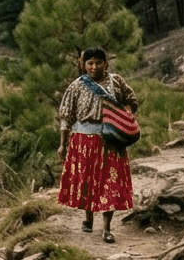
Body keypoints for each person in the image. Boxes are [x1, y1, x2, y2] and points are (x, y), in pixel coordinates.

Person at [55, 46, 137, 235]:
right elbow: (66, 116)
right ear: (83, 65)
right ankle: (88, 218)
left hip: (110, 140)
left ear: (106, 63)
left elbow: (131, 100)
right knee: (87, 182)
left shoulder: (116, 82)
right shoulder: (77, 86)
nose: (94, 67)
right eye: (89, 63)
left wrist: (124, 113)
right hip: (82, 141)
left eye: (98, 62)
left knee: (110, 183)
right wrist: (62, 144)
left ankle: (107, 229)